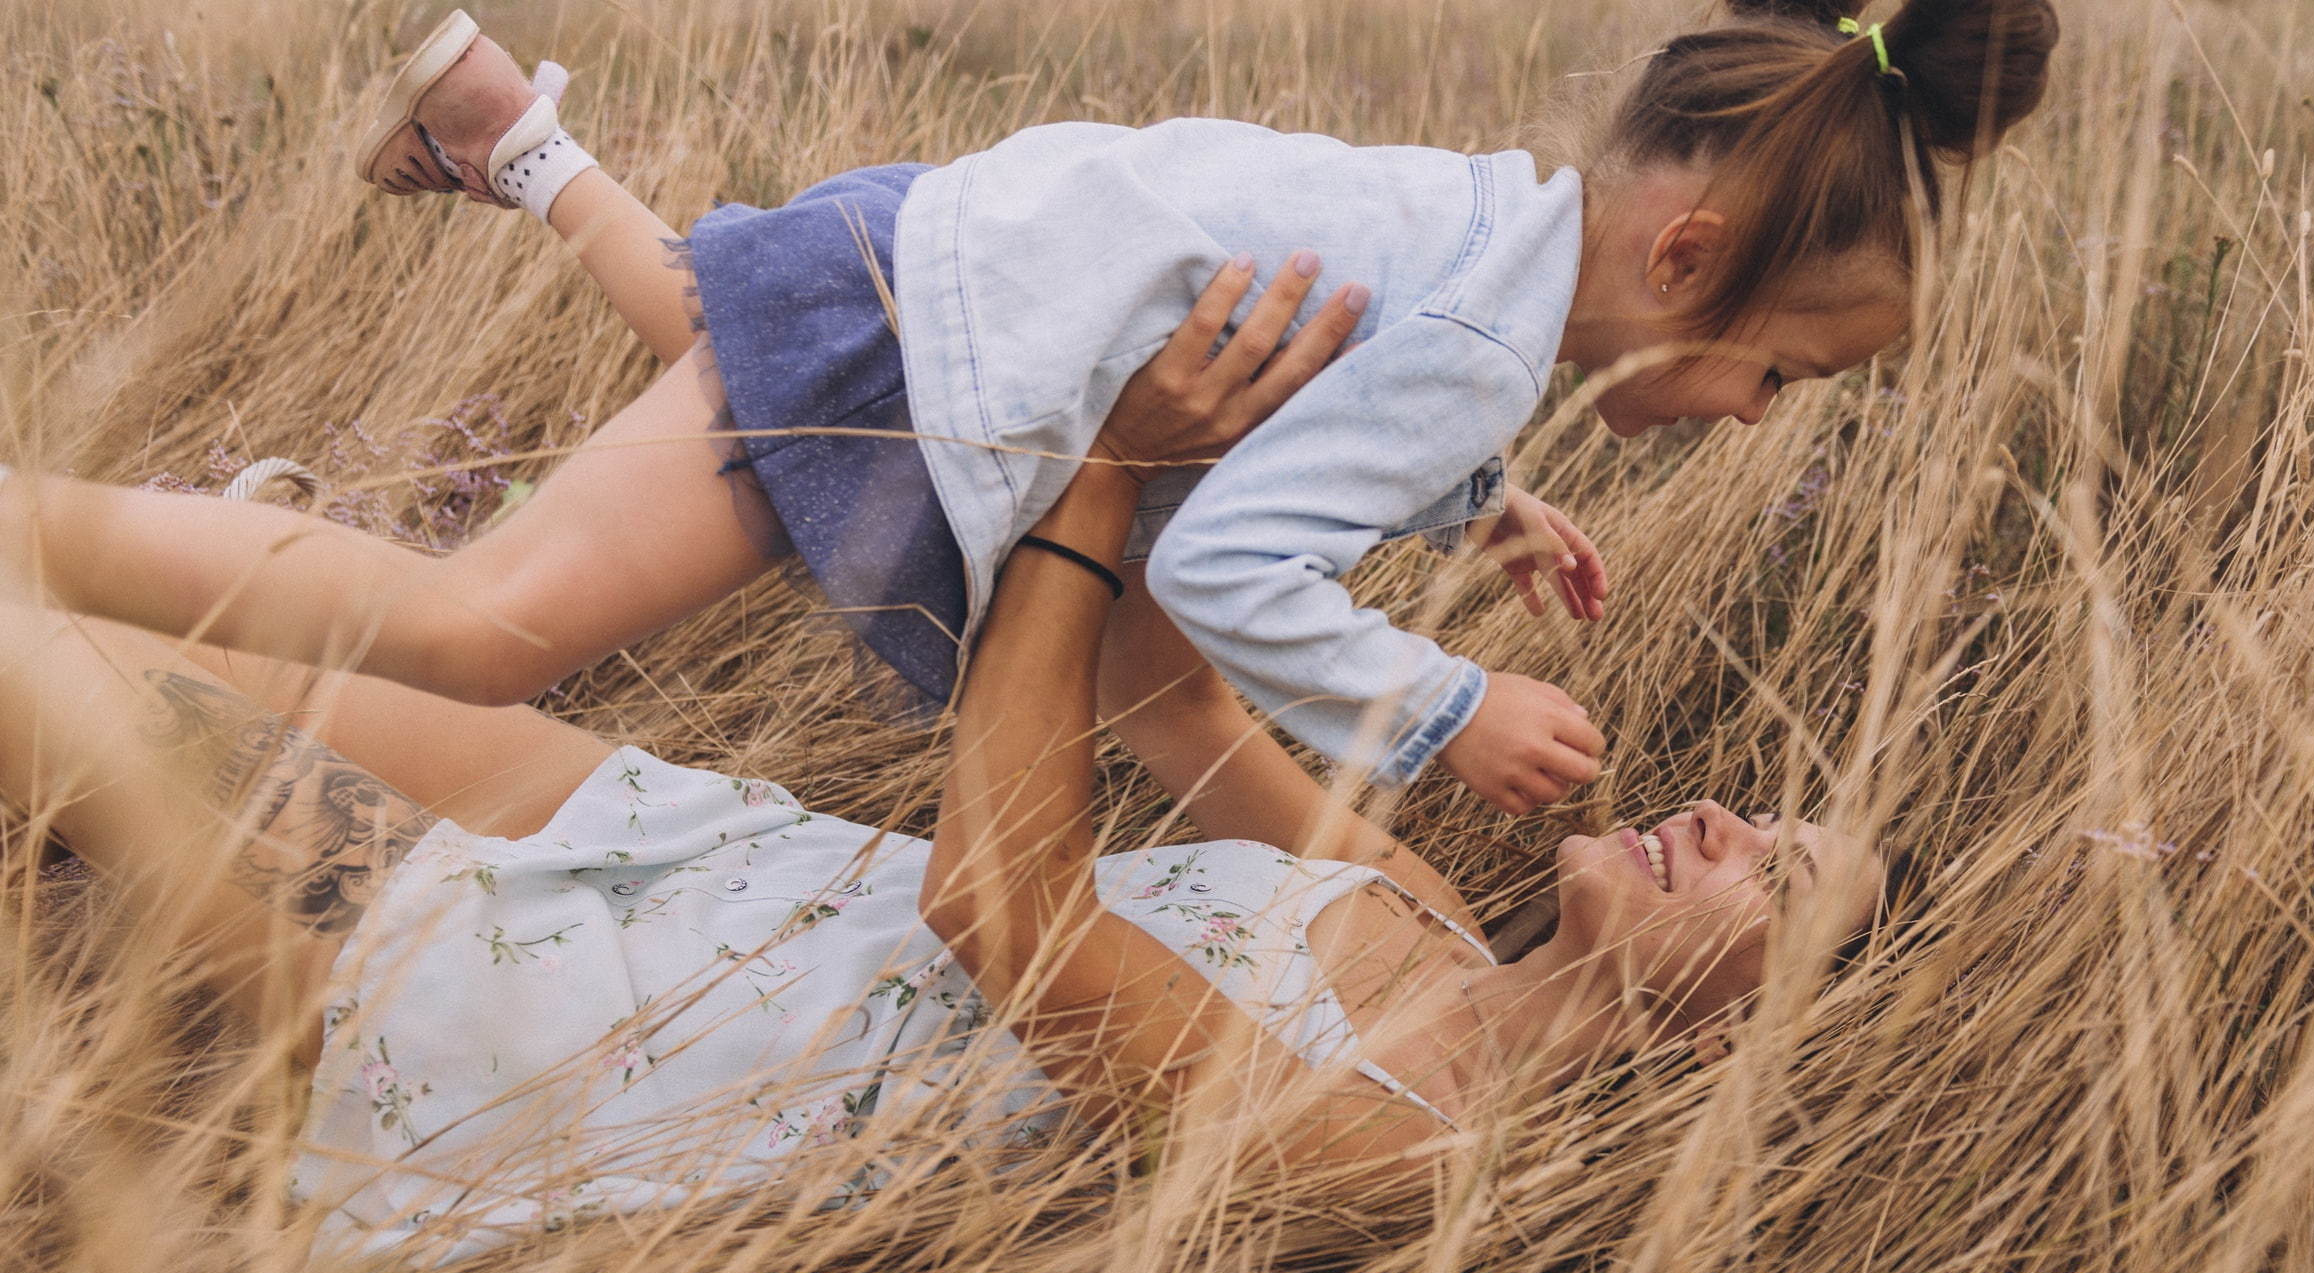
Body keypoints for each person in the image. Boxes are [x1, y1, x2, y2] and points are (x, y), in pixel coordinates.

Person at [0, 263, 1891, 1266]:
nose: (1723, 818)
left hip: (593, 1018)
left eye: (1775, 874)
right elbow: (1172, 707)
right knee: (204, 624)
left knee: (38, 667)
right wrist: (1329, 458)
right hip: (698, 855)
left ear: (1734, 1040)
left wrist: (1081, 507)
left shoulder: (1389, 1149)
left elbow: (999, 900)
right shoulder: (1406, 898)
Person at [0, 0, 2057, 816]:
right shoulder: (1478, 334)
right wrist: (1443, 703)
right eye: (1781, 372)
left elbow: (1354, 381)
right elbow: (1249, 556)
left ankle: (511, 139)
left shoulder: (1501, 248)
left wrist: (1477, 500)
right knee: (481, 626)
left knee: (709, 377)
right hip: (926, 351)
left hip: (937, 279)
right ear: (1687, 260)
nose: (1762, 418)